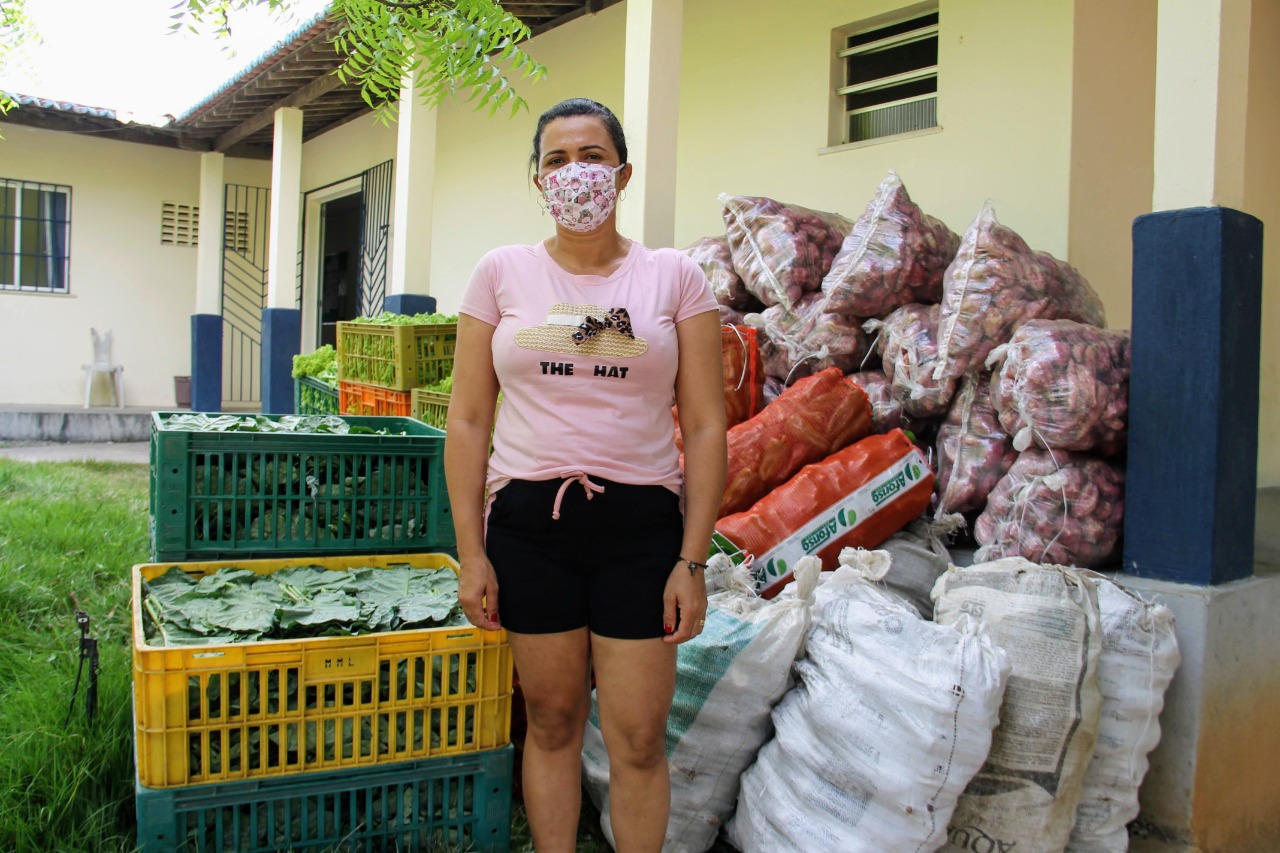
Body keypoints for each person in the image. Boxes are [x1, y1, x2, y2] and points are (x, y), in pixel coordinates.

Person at [443, 97, 727, 852]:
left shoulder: (674, 277)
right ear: (538, 180)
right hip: (530, 528)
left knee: (637, 738)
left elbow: (705, 426)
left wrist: (692, 561)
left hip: (641, 532)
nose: (576, 173)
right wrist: (471, 552)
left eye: (593, 157)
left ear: (623, 174)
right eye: (557, 160)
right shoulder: (500, 273)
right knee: (552, 721)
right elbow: (467, 419)